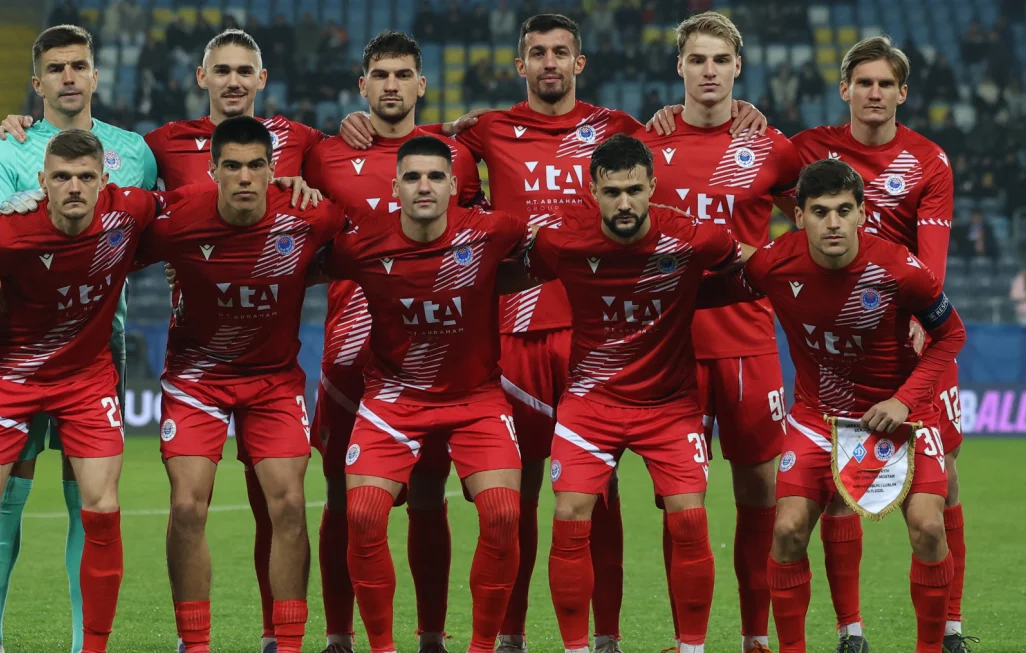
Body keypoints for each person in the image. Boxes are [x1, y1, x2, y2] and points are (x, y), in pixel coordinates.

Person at [336, 18, 766, 650]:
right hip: (518, 331)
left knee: (602, 494)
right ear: (521, 65)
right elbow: (423, 151)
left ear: (579, 62)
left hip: (599, 331)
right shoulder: (486, 129)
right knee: (523, 493)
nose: (549, 63)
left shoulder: (620, 128)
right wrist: (360, 126)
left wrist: (735, 110)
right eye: (537, 53)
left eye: (560, 52)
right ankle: (509, 635)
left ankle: (607, 635)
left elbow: (682, 141)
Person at [0, 30, 318, 653]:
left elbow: (359, 187)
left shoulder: (300, 141)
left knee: (278, 504)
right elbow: (127, 221)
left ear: (263, 77)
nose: (233, 81)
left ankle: (281, 637)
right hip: (170, 359)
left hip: (261, 364)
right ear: (201, 77)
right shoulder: (158, 146)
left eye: (244, 70)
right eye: (220, 70)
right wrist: (21, 128)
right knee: (26, 492)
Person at [516, 134, 746, 653]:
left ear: (653, 188)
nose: (624, 203)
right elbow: (503, 270)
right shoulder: (561, 242)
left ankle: (691, 648)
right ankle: (579, 648)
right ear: (592, 189)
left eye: (635, 190)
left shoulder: (694, 238)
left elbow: (749, 266)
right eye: (613, 191)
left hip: (669, 404)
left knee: (689, 514)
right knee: (571, 512)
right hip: (591, 403)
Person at [727, 159, 965, 653]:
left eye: (843, 210)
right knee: (788, 528)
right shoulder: (774, 264)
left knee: (927, 527)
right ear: (799, 216)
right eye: (819, 212)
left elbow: (951, 336)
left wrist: (903, 401)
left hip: (904, 418)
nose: (832, 223)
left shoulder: (901, 269)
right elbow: (717, 276)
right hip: (820, 417)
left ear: (861, 214)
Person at [0, 25, 157, 653]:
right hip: (19, 352)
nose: (69, 77)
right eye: (56, 68)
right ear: (37, 82)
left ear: (97, 75)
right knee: (9, 496)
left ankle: (85, 643)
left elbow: (154, 229)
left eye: (79, 65)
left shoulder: (133, 151)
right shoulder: (8, 146)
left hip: (103, 347)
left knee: (91, 499)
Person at [301, 31, 486, 653]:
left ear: (421, 85)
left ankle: (430, 635)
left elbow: (480, 238)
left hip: (428, 355)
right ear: (362, 85)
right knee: (341, 495)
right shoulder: (325, 157)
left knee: (431, 492)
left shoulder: (454, 158)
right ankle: (338, 636)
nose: (390, 86)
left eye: (402, 75)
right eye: (379, 75)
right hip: (347, 355)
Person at [137, 116, 347, 653]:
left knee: (290, 506)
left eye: (257, 165)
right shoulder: (176, 221)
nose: (245, 177)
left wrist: (306, 270)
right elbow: (112, 242)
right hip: (196, 381)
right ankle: (195, 644)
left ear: (274, 169)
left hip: (272, 381)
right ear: (212, 171)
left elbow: (349, 247)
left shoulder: (309, 214)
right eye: (232, 166)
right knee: (187, 507)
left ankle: (289, 643)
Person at [321, 136, 527, 653]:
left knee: (504, 514)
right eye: (412, 177)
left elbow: (559, 250)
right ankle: (384, 648)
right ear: (395, 187)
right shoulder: (362, 243)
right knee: (363, 513)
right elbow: (297, 260)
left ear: (456, 185)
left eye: (436, 176)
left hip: (475, 398)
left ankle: (481, 647)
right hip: (393, 396)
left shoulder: (492, 231)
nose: (424, 186)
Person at [634, 13, 800, 653]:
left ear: (737, 68)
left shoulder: (771, 147)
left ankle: (756, 636)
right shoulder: (649, 146)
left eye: (719, 61)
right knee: (683, 505)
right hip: (669, 348)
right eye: (696, 60)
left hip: (749, 343)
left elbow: (817, 218)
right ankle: (690, 643)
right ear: (679, 67)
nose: (708, 72)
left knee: (760, 496)